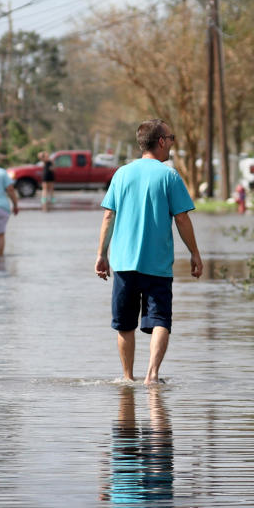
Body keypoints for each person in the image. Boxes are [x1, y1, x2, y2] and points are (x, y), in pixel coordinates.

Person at [95, 119, 204, 385]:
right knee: (161, 320)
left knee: (125, 324)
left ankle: (127, 378)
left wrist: (101, 254)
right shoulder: (169, 175)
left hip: (123, 263)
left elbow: (109, 215)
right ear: (161, 141)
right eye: (172, 138)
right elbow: (181, 219)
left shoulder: (121, 174)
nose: (173, 143)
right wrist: (194, 253)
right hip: (157, 265)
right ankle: (152, 376)